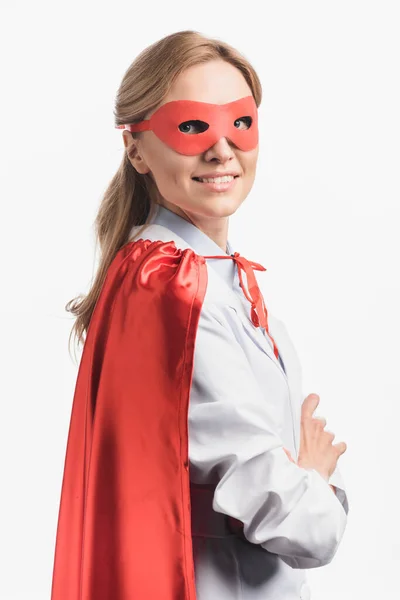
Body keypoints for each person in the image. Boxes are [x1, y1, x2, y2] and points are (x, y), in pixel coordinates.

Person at [51, 30, 349, 600]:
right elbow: (298, 523)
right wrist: (315, 482)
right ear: (136, 148)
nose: (222, 150)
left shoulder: (186, 276)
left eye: (240, 123)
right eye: (191, 127)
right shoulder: (176, 289)